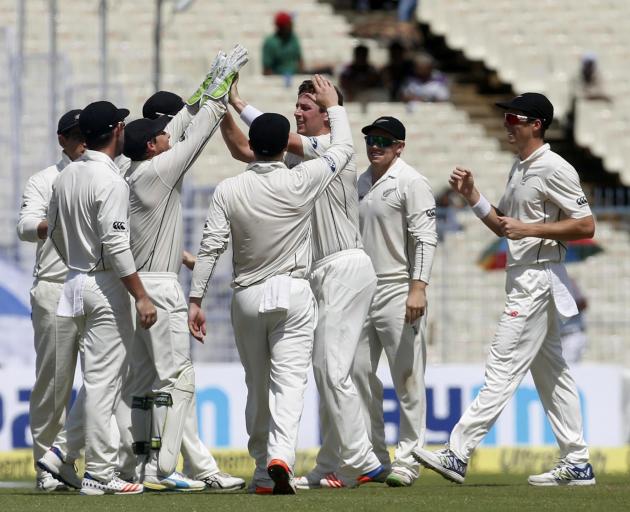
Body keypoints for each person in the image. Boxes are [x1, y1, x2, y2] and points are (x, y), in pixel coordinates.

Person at [413, 93, 596, 487]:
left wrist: (531, 229)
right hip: (526, 275)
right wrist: (473, 196)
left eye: (514, 118)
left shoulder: (553, 167)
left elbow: (586, 225)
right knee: (552, 374)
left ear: (536, 124)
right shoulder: (521, 167)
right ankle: (578, 460)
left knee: (502, 365)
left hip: (537, 278)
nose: (507, 124)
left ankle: (457, 453)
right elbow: (504, 227)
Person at [188, 75, 353, 495]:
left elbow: (209, 248)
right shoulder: (303, 179)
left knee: (256, 385)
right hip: (294, 293)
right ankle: (281, 455)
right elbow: (345, 149)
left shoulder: (229, 188)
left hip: (246, 297)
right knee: (290, 383)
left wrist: (195, 298)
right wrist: (334, 106)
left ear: (253, 147)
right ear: (285, 147)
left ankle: (263, 468)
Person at [220, 77, 385, 490]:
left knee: (330, 368)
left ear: (327, 115)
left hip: (344, 266)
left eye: (306, 107)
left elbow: (278, 136)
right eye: (296, 107)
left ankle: (363, 459)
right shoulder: (298, 162)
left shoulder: (331, 147)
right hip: (318, 274)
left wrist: (240, 104)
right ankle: (335, 464)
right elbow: (248, 148)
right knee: (325, 369)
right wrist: (223, 109)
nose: (298, 112)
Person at [117, 47, 247, 492]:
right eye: (159, 135)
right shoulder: (158, 172)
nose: (166, 136)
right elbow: (198, 133)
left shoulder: (130, 169)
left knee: (138, 381)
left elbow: (178, 125)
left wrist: (207, 78)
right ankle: (168, 468)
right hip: (161, 289)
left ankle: (139, 467)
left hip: (135, 286)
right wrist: (224, 83)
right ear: (151, 147)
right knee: (179, 380)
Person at [44, 100, 158, 496]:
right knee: (104, 383)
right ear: (116, 130)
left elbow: (54, 231)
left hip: (75, 280)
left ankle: (61, 452)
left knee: (97, 381)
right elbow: (116, 244)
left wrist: (77, 262)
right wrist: (141, 296)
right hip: (103, 282)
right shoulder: (110, 181)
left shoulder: (65, 177)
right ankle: (99, 474)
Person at [353, 116, 437, 487]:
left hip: (397, 287)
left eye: (384, 141)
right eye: (371, 139)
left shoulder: (411, 182)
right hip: (359, 288)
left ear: (400, 146)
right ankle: (374, 455)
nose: (375, 145)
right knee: (356, 373)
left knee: (406, 377)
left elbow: (425, 239)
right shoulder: (360, 181)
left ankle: (408, 458)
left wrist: (417, 287)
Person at [17, 109, 86, 492]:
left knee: (104, 380)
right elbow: (26, 226)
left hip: (95, 286)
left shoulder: (106, 175)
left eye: (87, 134)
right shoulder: (45, 179)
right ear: (62, 139)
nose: (83, 142)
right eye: (76, 135)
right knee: (54, 384)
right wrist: (57, 219)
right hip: (56, 287)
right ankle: (47, 466)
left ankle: (86, 462)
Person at [262, 11, 304, 76]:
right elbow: (267, 69)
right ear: (282, 27)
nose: (292, 25)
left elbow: (300, 60)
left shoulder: (293, 38)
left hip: (295, 75)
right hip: (278, 77)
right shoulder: (270, 42)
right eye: (289, 24)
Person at [560, 276, 588, 364]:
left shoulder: (568, 281)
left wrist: (566, 310)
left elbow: (583, 303)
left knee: (569, 368)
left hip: (572, 334)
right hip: (557, 336)